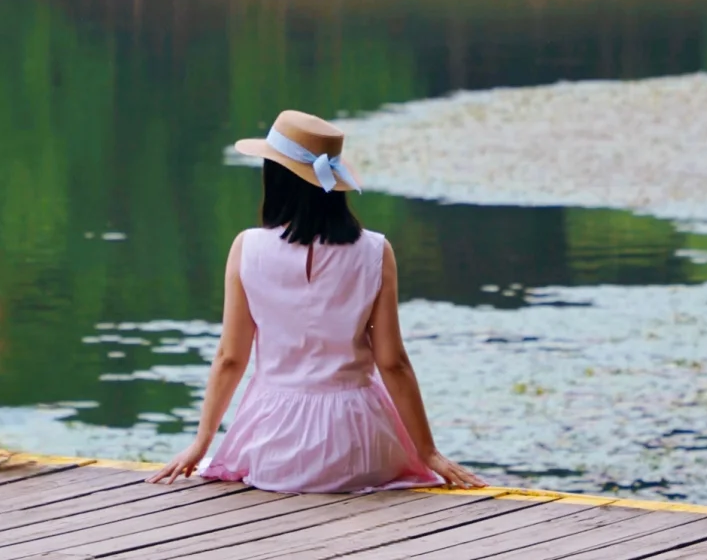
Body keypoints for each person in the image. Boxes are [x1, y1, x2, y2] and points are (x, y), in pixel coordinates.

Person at [152, 109, 484, 492]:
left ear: (275, 178)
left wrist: (201, 443)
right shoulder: (375, 251)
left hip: (277, 447)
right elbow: (392, 362)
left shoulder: (247, 248)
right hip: (361, 444)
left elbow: (231, 357)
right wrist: (429, 452)